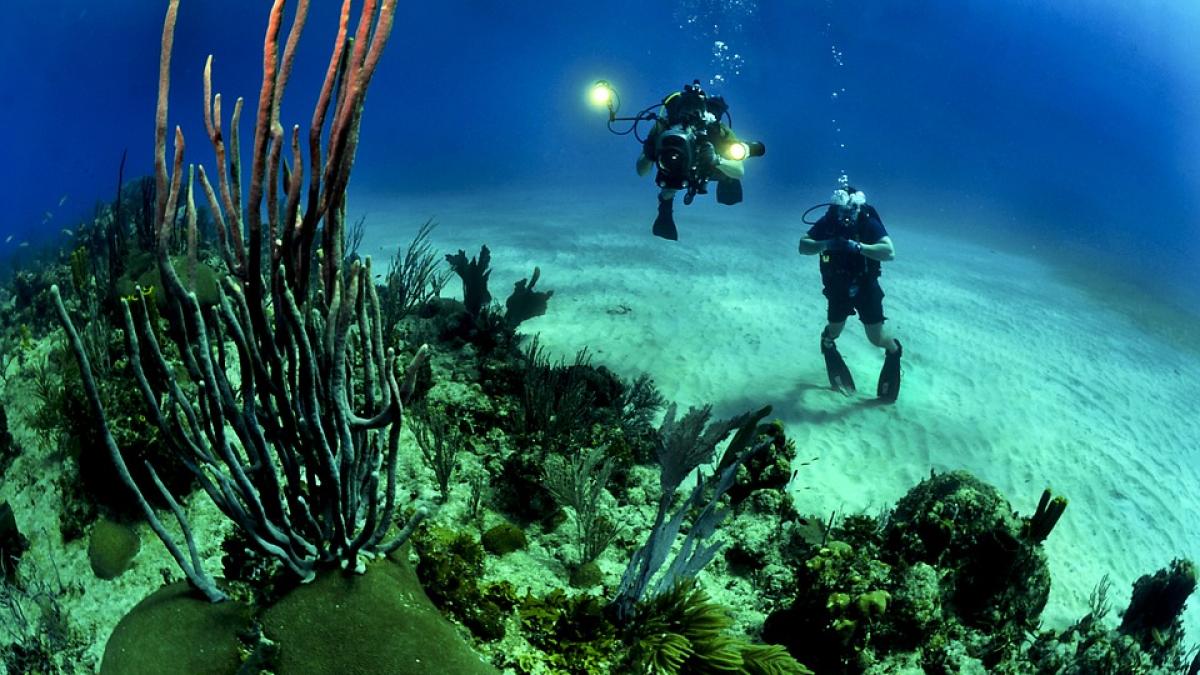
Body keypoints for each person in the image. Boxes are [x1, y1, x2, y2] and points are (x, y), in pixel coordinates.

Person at [797, 186, 903, 401]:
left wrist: (858, 247)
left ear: (858, 208)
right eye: (841, 211)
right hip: (837, 287)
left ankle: (894, 351)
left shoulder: (867, 222)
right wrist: (826, 243)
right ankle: (827, 343)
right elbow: (803, 246)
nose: (846, 216)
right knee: (834, 331)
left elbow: (889, 252)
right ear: (834, 208)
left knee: (876, 338)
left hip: (866, 287)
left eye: (851, 211)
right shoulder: (828, 222)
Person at [635, 81, 747, 240]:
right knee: (668, 190)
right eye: (685, 108)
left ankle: (726, 183)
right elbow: (641, 171)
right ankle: (665, 209)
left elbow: (739, 171)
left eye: (696, 109)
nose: (690, 115)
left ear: (705, 111)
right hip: (679, 170)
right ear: (678, 110)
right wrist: (649, 152)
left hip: (709, 166)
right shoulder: (663, 128)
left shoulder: (716, 130)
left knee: (730, 177)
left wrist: (717, 160)